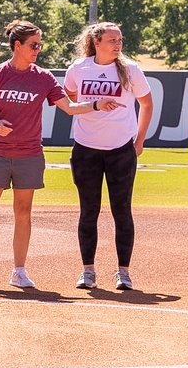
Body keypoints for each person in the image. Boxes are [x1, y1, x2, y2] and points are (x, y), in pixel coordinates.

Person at [0, 20, 122, 289]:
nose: (38, 49)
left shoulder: (44, 77)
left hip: (29, 154)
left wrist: (96, 104)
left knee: (23, 211)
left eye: (40, 45)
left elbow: (69, 108)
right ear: (17, 46)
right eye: (33, 45)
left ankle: (19, 271)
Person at [63, 22, 154, 291]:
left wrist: (139, 140)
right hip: (85, 149)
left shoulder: (130, 70)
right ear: (96, 41)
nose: (118, 44)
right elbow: (68, 98)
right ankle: (87, 271)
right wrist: (91, 106)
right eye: (112, 40)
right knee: (88, 211)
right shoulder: (78, 68)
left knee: (122, 211)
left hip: (121, 150)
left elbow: (147, 104)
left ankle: (123, 272)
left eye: (120, 40)